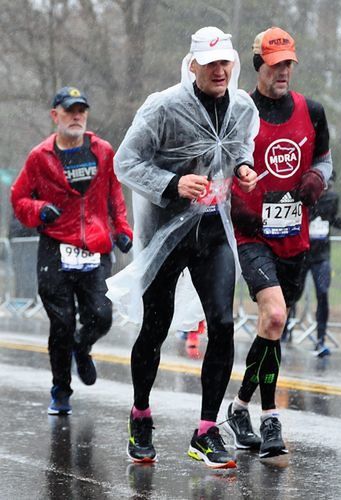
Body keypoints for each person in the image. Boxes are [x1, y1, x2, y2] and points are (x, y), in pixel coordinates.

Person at [106, 26, 259, 468]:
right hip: (167, 232)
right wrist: (173, 183)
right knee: (156, 328)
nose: (218, 71)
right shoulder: (163, 107)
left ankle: (207, 430)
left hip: (213, 231)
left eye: (225, 63)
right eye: (209, 63)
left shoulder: (243, 106)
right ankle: (140, 414)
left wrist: (244, 167)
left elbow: (241, 144)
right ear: (192, 65)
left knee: (224, 324)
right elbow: (125, 162)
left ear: (232, 65)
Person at [224, 27, 333, 458]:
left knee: (273, 328)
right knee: (273, 315)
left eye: (289, 63)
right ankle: (271, 421)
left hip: (294, 236)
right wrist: (239, 207)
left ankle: (239, 407)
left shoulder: (313, 110)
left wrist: (315, 179)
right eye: (276, 64)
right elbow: (219, 165)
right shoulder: (238, 111)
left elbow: (325, 162)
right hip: (251, 235)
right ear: (259, 66)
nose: (284, 71)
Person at [11, 86, 133, 416]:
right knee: (62, 322)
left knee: (101, 316)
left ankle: (83, 346)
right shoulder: (40, 156)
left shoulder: (103, 151)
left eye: (81, 110)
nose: (77, 115)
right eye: (69, 110)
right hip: (56, 247)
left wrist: (122, 229)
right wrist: (38, 210)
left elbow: (114, 195)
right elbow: (19, 198)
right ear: (56, 116)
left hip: (93, 246)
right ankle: (61, 389)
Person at [306, 171, 341, 357]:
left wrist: (335, 221)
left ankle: (321, 338)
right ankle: (286, 329)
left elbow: (333, 219)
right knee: (292, 293)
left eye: (329, 183)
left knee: (322, 293)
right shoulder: (305, 196)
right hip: (302, 252)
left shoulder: (333, 198)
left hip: (321, 255)